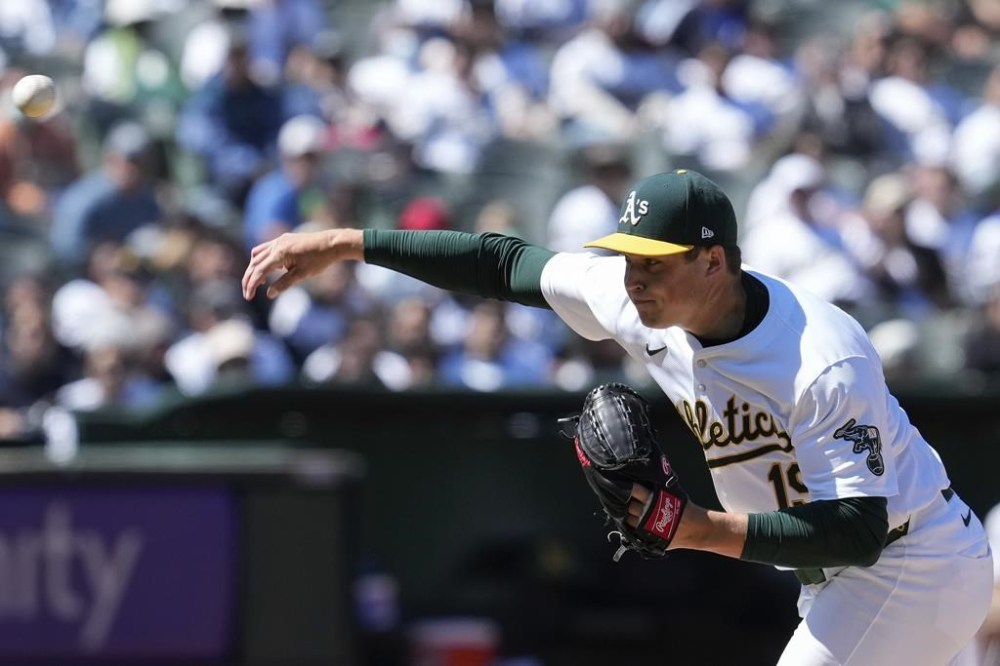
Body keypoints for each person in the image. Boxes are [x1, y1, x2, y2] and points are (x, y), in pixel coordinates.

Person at [243, 168, 993, 664]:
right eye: (629, 258)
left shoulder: (819, 356)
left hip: (910, 559)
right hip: (834, 573)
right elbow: (504, 262)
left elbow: (860, 529)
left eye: (654, 262)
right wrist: (349, 244)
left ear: (714, 262)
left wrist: (698, 529)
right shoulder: (643, 301)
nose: (634, 279)